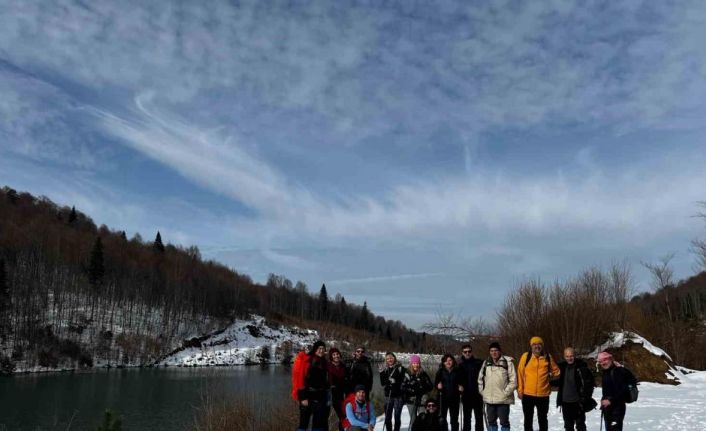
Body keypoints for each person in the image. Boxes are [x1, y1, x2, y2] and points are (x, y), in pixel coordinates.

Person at [517, 336, 560, 431]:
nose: (537, 346)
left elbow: (557, 372)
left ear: (542, 346)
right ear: (531, 346)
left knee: (543, 419)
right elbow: (520, 373)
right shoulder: (525, 356)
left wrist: (550, 377)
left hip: (543, 394)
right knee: (528, 419)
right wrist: (520, 389)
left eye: (539, 344)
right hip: (528, 394)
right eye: (534, 344)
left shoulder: (547, 357)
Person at [292, 340, 330, 431]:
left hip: (320, 397)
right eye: (319, 348)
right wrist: (303, 397)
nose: (321, 350)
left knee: (317, 424)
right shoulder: (308, 360)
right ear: (315, 349)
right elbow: (300, 378)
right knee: (303, 423)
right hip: (307, 396)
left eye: (323, 348)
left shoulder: (324, 362)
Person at [478, 342, 517, 431]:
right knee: (491, 422)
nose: (493, 353)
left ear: (500, 351)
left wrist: (505, 393)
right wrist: (482, 391)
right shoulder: (486, 363)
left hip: (503, 399)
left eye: (496, 350)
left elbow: (513, 380)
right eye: (491, 351)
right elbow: (480, 379)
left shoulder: (508, 362)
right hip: (489, 399)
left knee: (504, 422)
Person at [556, 347, 595, 431]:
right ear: (564, 357)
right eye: (567, 356)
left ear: (574, 356)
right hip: (565, 403)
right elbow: (560, 382)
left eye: (571, 356)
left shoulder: (581, 367)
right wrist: (547, 383)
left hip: (578, 402)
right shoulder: (562, 367)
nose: (569, 358)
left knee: (580, 425)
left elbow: (590, 384)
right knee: (568, 426)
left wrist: (585, 398)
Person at [598, 351, 637, 431]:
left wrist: (610, 400)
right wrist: (603, 399)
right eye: (601, 361)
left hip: (617, 408)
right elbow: (608, 390)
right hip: (608, 409)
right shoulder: (606, 372)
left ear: (610, 359)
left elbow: (623, 391)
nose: (603, 363)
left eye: (605, 360)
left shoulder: (618, 371)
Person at [401, 354, 433, 429]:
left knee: (423, 417)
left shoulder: (423, 374)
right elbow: (402, 387)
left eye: (417, 363)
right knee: (413, 420)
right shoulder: (407, 373)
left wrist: (422, 388)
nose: (416, 365)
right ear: (411, 363)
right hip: (411, 400)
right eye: (414, 363)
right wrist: (411, 389)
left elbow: (430, 386)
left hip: (422, 400)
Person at [435, 353, 464, 431]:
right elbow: (435, 384)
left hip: (454, 398)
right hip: (442, 398)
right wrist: (438, 386)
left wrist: (461, 388)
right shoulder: (440, 372)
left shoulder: (457, 371)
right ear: (443, 362)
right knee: (442, 419)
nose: (448, 362)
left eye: (450, 360)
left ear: (453, 361)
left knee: (454, 419)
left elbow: (462, 383)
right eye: (446, 361)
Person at [459, 345, 484, 431]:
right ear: (462, 353)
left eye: (469, 351)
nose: (467, 353)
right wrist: (459, 385)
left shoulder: (479, 363)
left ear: (472, 352)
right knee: (466, 418)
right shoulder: (460, 365)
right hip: (466, 396)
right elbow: (457, 379)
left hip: (477, 395)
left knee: (479, 418)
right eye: (465, 352)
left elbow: (485, 376)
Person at [380, 352, 406, 431]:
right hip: (388, 396)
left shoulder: (400, 368)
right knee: (388, 417)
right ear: (386, 360)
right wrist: (381, 373)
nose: (389, 360)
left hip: (398, 396)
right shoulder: (385, 369)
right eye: (387, 358)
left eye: (391, 358)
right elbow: (382, 383)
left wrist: (395, 382)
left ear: (394, 358)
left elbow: (403, 381)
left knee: (397, 417)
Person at [328, 347, 349, 431]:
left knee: (343, 416)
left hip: (342, 395)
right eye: (334, 354)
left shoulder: (343, 366)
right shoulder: (328, 366)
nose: (336, 356)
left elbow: (347, 380)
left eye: (337, 354)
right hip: (331, 395)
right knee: (324, 418)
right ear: (331, 356)